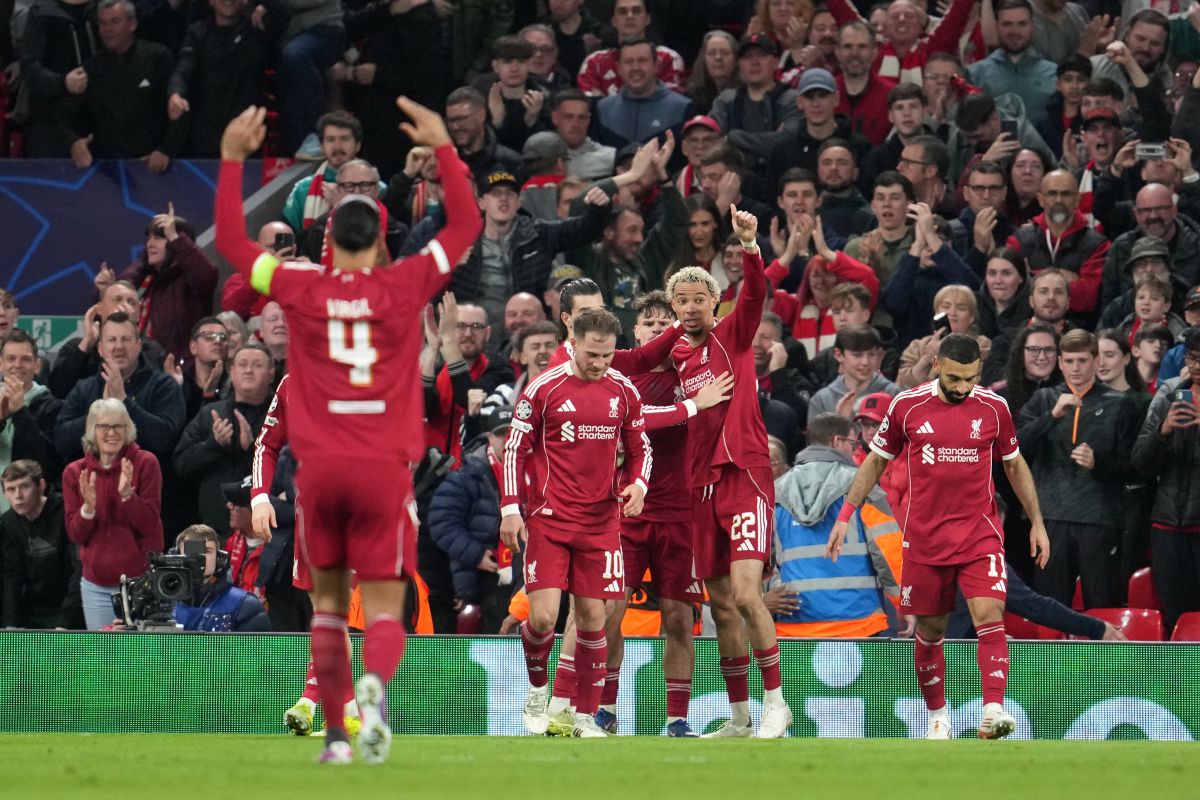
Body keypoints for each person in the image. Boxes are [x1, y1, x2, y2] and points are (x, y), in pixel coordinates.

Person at [216, 100, 481, 764]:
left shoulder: (301, 285)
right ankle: (372, 692)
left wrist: (229, 159)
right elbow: (467, 224)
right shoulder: (404, 284)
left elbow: (231, 245)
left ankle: (336, 736)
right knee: (386, 606)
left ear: (329, 242)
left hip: (319, 470)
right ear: (385, 240)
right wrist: (444, 148)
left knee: (328, 608)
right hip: (382, 470)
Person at [827, 333, 1051, 740]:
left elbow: (1015, 466)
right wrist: (846, 514)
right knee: (930, 633)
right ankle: (938, 717)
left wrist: (1037, 521)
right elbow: (876, 460)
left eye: (970, 378)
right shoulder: (907, 406)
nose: (962, 387)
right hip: (924, 539)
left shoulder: (994, 407)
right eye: (954, 378)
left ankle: (993, 710)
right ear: (936, 365)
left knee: (990, 616)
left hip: (978, 533)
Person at [652, 208, 792, 738]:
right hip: (700, 486)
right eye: (681, 300)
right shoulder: (677, 358)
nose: (690, 307)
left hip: (744, 474)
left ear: (715, 303)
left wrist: (751, 246)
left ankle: (776, 705)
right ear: (673, 308)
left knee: (746, 593)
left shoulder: (732, 335)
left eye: (699, 299)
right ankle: (739, 716)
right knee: (719, 607)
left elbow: (755, 293)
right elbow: (635, 362)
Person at [500, 307, 652, 739]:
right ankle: (536, 689)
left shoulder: (623, 391)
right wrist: (511, 508)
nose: (599, 364)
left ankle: (583, 716)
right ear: (574, 342)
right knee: (544, 618)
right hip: (549, 520)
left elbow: (641, 447)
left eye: (606, 356)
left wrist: (639, 483)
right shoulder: (543, 388)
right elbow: (514, 450)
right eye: (591, 355)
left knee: (593, 619)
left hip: (601, 523)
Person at [1017, 329, 1136, 608]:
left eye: (1082, 360)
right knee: (1049, 606)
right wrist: (1052, 416)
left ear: (1096, 361)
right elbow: (1013, 447)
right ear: (1059, 362)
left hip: (1100, 518)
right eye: (1069, 361)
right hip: (1048, 516)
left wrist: (1099, 464)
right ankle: (1048, 655)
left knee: (1103, 604)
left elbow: (1134, 467)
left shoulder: (1121, 404)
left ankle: (1104, 655)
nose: (1076, 368)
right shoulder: (1044, 400)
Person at [772, 413, 905, 638]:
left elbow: (760, 561)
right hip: (859, 623)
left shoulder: (774, 491)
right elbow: (888, 551)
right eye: (853, 444)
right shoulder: (863, 484)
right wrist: (904, 604)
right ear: (837, 442)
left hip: (794, 626)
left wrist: (765, 598)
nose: (855, 452)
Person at [63, 398, 163, 630]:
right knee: (104, 661)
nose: (112, 433)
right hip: (95, 586)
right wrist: (88, 508)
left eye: (119, 426)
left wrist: (128, 496)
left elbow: (149, 525)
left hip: (141, 584)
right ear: (92, 430)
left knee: (140, 660)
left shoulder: (145, 463)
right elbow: (76, 535)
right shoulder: (75, 473)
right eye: (103, 426)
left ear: (128, 430)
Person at [1132, 328, 1200, 635]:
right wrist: (1163, 432)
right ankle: (1182, 682)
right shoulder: (1171, 397)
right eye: (1193, 358)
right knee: (1176, 619)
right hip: (1168, 528)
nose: (1197, 366)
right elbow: (1140, 463)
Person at [54, 312, 186, 468]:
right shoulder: (84, 388)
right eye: (111, 340)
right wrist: (99, 413)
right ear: (100, 348)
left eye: (126, 339)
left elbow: (167, 440)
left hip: (146, 485)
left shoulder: (164, 386)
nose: (119, 346)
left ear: (138, 346)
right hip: (92, 485)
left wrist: (123, 402)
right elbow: (61, 441)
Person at [64, 0, 184, 171]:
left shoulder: (158, 57)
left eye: (114, 21)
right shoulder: (93, 68)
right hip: (107, 172)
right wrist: (74, 141)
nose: (107, 29)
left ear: (132, 24)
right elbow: (64, 115)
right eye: (103, 23)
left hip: (154, 166)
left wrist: (166, 149)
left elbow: (179, 110)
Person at [428, 406, 517, 635]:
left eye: (512, 433)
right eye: (501, 434)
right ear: (489, 437)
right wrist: (475, 555)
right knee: (498, 628)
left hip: (526, 566)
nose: (507, 440)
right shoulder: (468, 474)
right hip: (485, 573)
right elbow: (441, 521)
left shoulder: (533, 471)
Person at [172, 343, 275, 534]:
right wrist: (214, 445)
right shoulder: (210, 413)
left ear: (271, 373)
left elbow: (288, 474)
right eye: (243, 364)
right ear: (232, 371)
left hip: (264, 530)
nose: (249, 370)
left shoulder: (280, 417)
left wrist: (252, 449)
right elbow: (181, 463)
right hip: (211, 531)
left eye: (257, 365)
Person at [105, 204, 219, 363]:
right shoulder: (145, 278)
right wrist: (105, 289)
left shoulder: (191, 281)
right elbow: (110, 306)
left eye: (158, 238)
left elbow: (207, 275)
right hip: (140, 369)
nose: (150, 244)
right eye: (149, 238)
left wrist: (174, 237)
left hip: (179, 373)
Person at [0, 460, 82, 629]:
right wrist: (10, 624)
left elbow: (79, 569)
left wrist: (66, 622)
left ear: (41, 485)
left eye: (24, 487)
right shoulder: (8, 522)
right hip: (33, 610)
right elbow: (12, 575)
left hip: (71, 607)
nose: (18, 496)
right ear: (4, 494)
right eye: (10, 489)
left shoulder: (65, 511)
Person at [593, 39, 695, 150]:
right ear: (619, 68)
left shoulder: (682, 108)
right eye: (628, 62)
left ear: (656, 65)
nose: (635, 68)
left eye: (642, 60)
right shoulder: (602, 109)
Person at [168, 524, 270, 632]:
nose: (199, 558)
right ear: (176, 557)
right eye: (191, 551)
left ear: (220, 558)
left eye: (206, 551)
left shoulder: (244, 605)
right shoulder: (160, 604)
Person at [280, 111, 370, 232]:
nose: (337, 147)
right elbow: (292, 237)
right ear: (322, 146)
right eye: (330, 139)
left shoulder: (374, 187)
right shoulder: (303, 189)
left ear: (358, 145)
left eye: (345, 139)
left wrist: (342, 205)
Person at [576, 0, 685, 98]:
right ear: (613, 21)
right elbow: (587, 109)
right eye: (622, 12)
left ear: (647, 18)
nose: (629, 16)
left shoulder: (668, 58)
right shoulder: (594, 63)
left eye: (636, 11)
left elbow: (671, 104)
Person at [967, 0, 1058, 116]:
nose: (1015, 31)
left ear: (1032, 26)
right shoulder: (975, 75)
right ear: (996, 26)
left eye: (1022, 24)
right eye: (1007, 24)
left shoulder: (1054, 73)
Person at [0, 330, 64, 490]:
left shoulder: (53, 407)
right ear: (1, 364)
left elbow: (51, 463)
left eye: (26, 359)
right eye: (11, 358)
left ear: (37, 366)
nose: (17, 365)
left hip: (26, 509)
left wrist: (20, 413)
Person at [897, 285, 992, 388]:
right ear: (936, 312)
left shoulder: (982, 345)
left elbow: (972, 384)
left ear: (971, 317)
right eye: (946, 307)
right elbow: (904, 385)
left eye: (961, 308)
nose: (952, 313)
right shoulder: (917, 346)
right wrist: (926, 359)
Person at [976, 247, 1031, 339]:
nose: (998, 280)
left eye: (1006, 273)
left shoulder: (1034, 310)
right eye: (992, 273)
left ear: (1021, 278)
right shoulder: (974, 306)